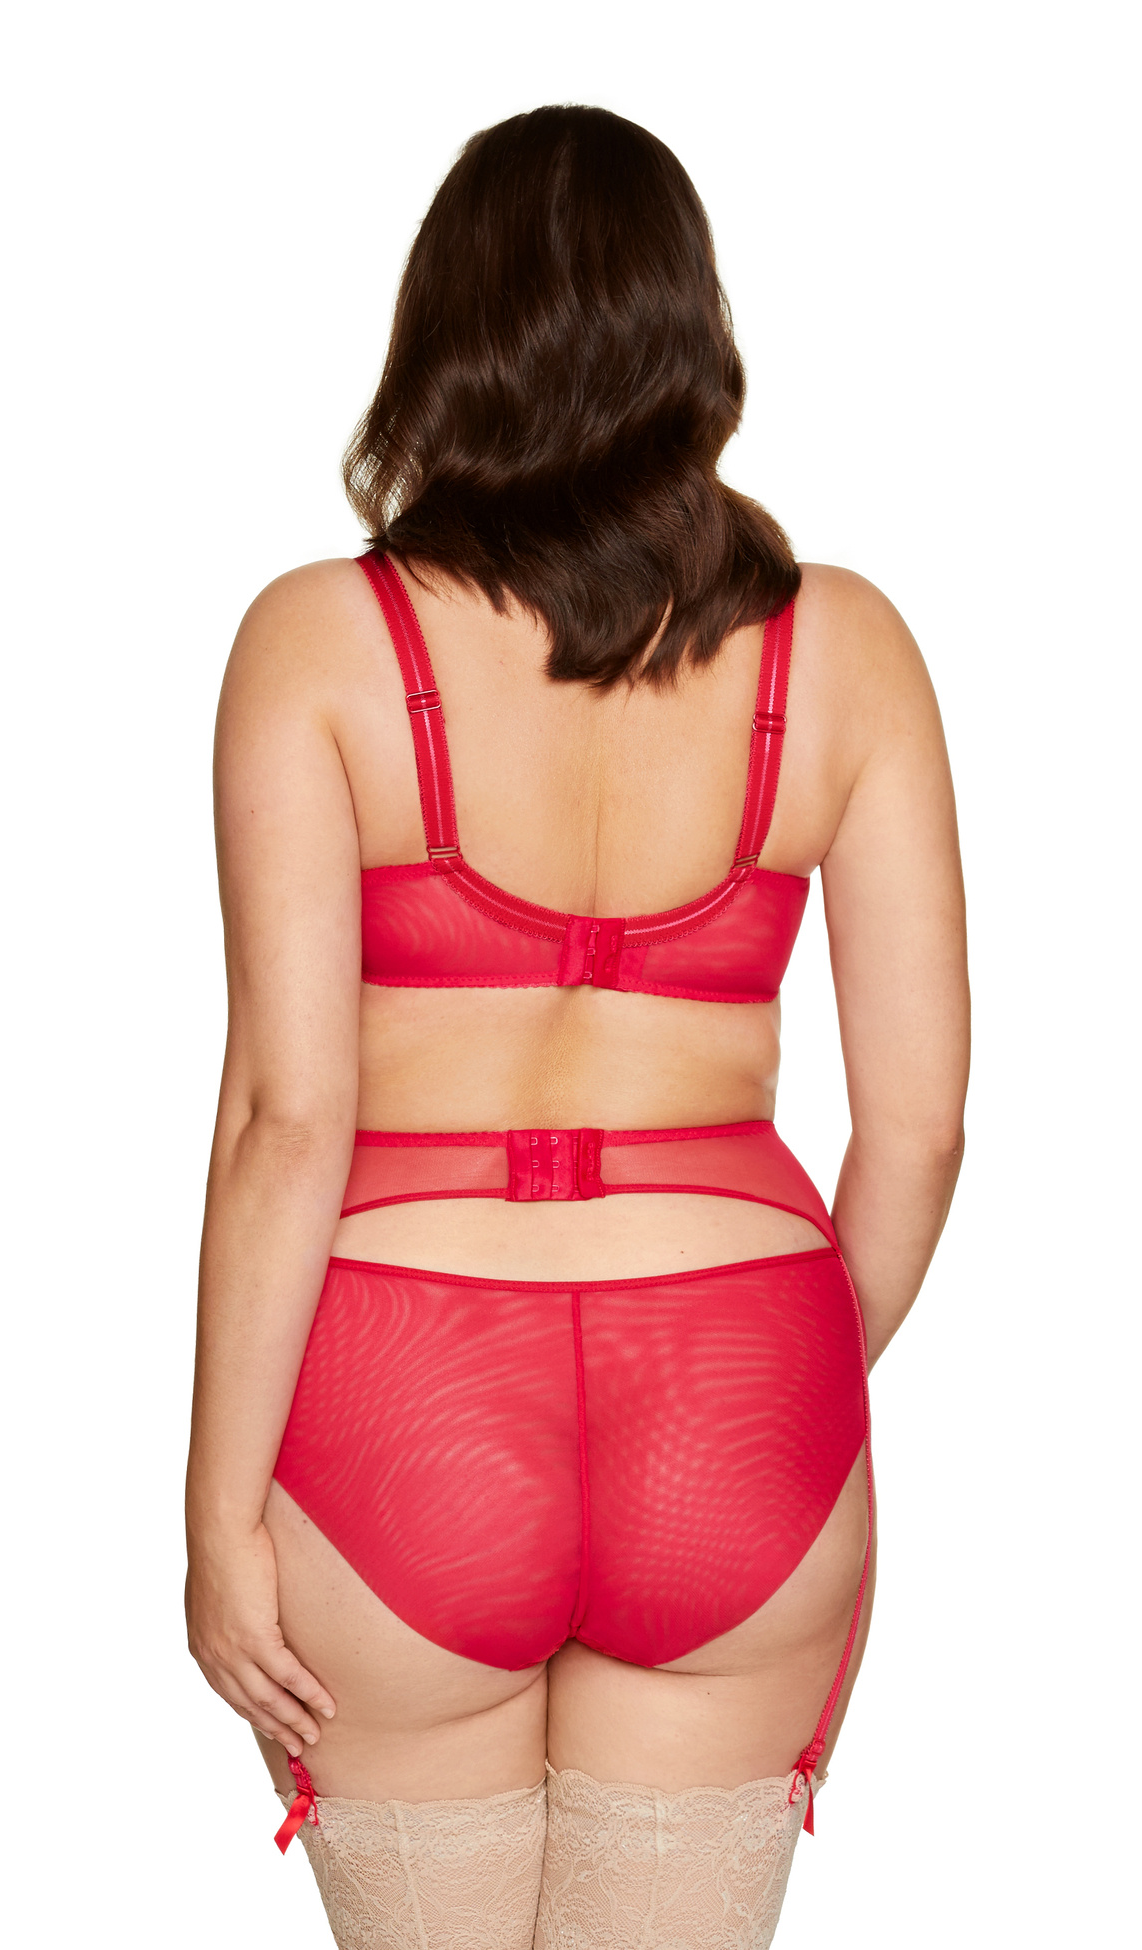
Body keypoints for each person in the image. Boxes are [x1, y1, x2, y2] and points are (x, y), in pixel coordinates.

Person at [185, 104, 969, 1950]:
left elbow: (289, 1117)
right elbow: (922, 1127)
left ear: (441, 336)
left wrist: (217, 1516)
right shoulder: (845, 649)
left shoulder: (319, 643)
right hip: (737, 1382)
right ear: (696, 332)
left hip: (406, 1398)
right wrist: (783, 1378)